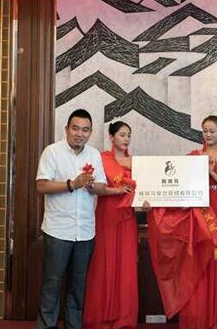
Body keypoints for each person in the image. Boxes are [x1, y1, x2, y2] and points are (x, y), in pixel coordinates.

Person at [148, 113, 217, 328]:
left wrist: (213, 173)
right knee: (197, 260)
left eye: (212, 131)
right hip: (198, 212)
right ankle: (197, 318)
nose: (208, 135)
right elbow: (180, 187)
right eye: (205, 131)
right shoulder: (192, 155)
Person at [36, 109, 107, 329]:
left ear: (90, 132)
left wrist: (90, 185)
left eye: (85, 130)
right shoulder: (52, 152)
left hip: (85, 232)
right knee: (52, 285)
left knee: (78, 287)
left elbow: (102, 187)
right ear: (66, 129)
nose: (80, 134)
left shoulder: (94, 155)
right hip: (58, 230)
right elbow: (41, 185)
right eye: (75, 128)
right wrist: (72, 184)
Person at [83, 121, 137, 328]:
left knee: (125, 264)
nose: (126, 139)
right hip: (106, 215)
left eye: (128, 135)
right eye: (122, 134)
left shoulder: (135, 162)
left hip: (127, 217)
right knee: (104, 262)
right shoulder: (102, 159)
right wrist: (117, 191)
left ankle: (123, 318)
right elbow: (93, 187)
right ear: (111, 137)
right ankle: (100, 317)